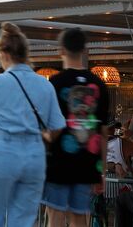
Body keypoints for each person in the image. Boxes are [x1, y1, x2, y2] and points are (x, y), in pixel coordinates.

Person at [0, 22, 65, 227]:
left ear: (3, 53)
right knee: (23, 220)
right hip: (35, 155)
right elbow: (57, 126)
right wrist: (45, 138)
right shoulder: (45, 85)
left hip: (4, 151)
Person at [43, 28, 109, 227]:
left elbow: (48, 129)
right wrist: (102, 171)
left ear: (61, 50)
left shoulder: (54, 84)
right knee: (80, 216)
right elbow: (104, 133)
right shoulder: (99, 85)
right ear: (85, 50)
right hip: (87, 165)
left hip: (58, 165)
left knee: (55, 214)